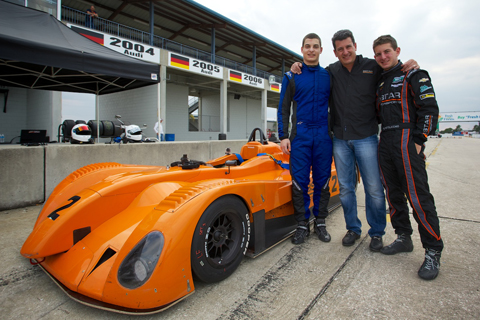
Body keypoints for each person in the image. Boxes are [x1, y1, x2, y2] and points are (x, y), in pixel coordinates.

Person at [291, 30, 418, 251]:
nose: (345, 51)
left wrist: (409, 64)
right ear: (334, 52)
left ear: (355, 46)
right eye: (340, 49)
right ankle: (353, 228)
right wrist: (296, 66)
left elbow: (391, 68)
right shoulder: (332, 71)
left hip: (367, 137)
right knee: (346, 189)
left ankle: (377, 232)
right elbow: (312, 71)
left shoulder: (373, 66)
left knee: (374, 188)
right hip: (340, 139)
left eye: (348, 46)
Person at [373, 35, 443, 280]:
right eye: (378, 53)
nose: (383, 57)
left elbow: (430, 108)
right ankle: (403, 237)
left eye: (387, 51)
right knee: (393, 195)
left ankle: (433, 250)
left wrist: (419, 140)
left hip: (406, 139)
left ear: (397, 50)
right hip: (386, 141)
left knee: (418, 197)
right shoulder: (379, 82)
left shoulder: (414, 74)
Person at [277, 33, 332, 245]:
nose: (311, 50)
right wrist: (282, 136)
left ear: (321, 50)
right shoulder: (291, 76)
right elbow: (282, 108)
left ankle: (320, 222)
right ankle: (302, 224)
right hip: (300, 136)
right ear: (302, 49)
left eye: (315, 46)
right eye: (307, 46)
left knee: (322, 181)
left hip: (323, 136)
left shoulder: (329, 75)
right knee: (299, 181)